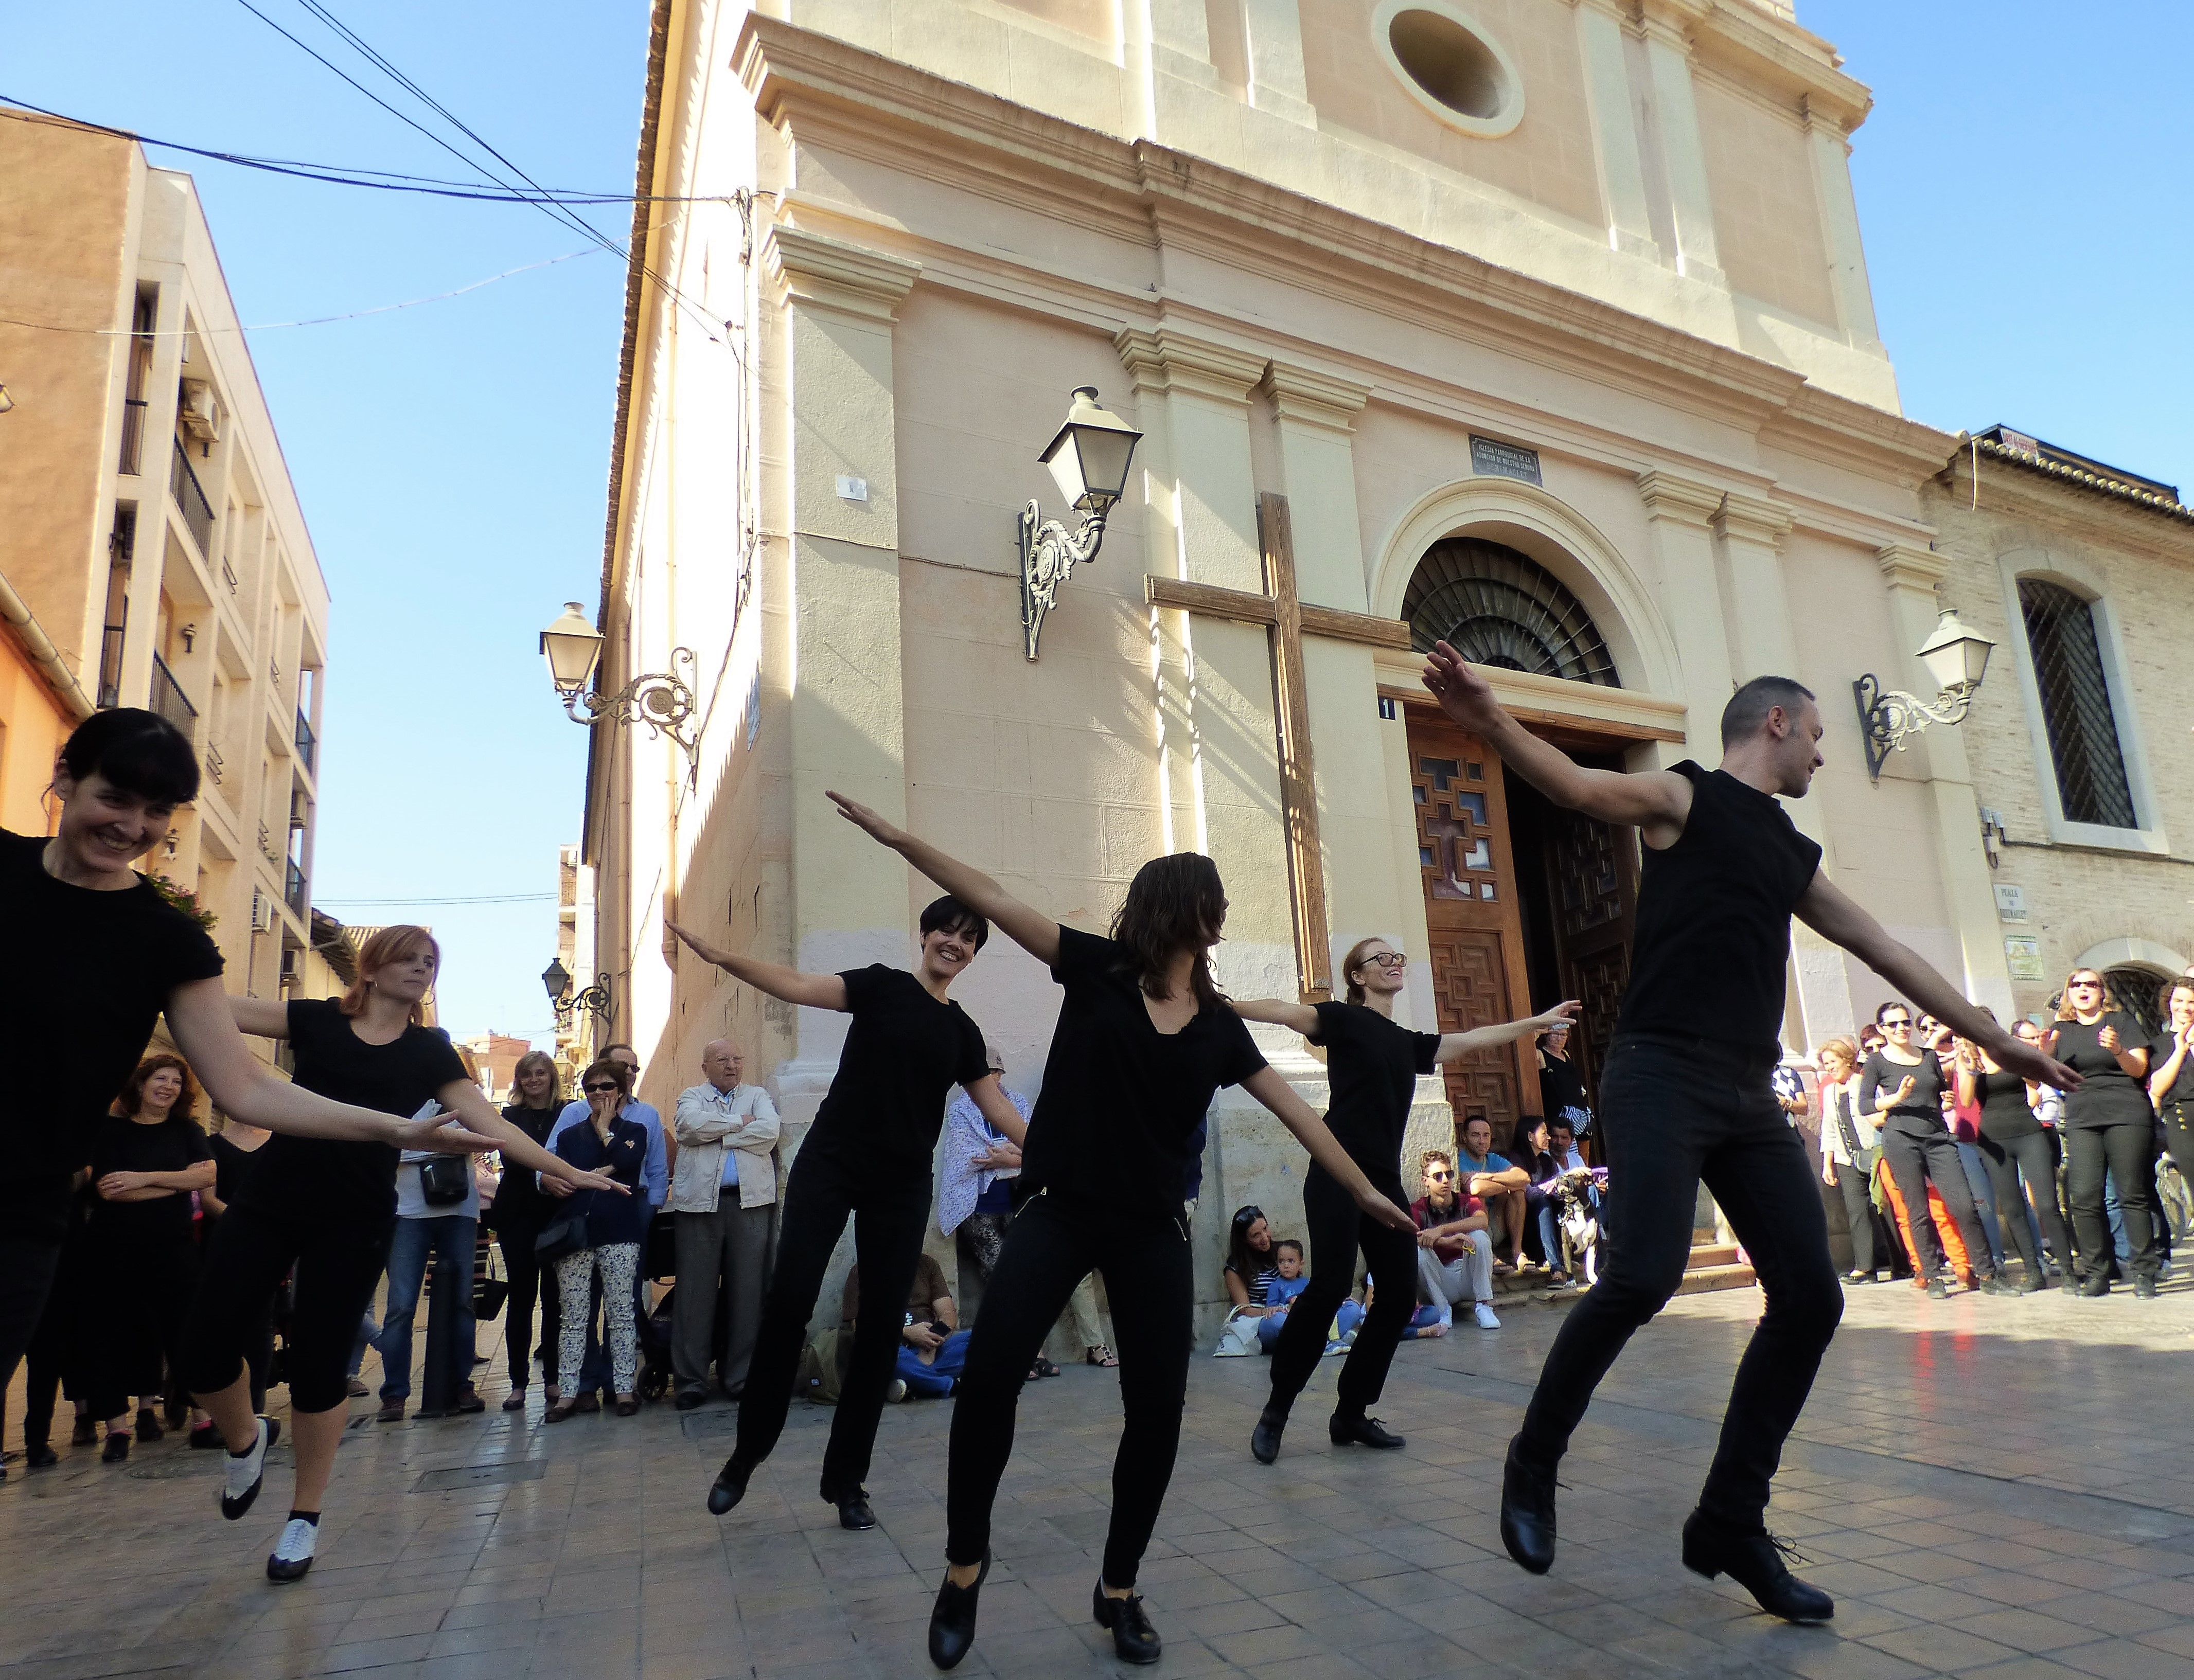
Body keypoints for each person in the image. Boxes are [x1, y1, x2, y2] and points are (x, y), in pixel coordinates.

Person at [1418, 648, 2073, 1625]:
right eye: (1813, 735)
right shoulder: (1685, 797)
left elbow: (1883, 948)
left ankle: (1728, 1518)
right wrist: (1486, 717)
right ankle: (1533, 1458)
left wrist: (1994, 1041)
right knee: (1638, 1277)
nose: (1819, 753)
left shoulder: (1789, 851)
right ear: (1773, 724)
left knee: (1809, 1298)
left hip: (1743, 1092)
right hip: (1655, 1072)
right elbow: (1578, 784)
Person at [804, 796, 1413, 1672]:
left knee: (1157, 1411)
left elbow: (1297, 1116)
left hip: (1150, 1230)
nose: (1226, 917)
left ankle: (1119, 1589)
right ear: (1182, 906)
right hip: (1057, 1209)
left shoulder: (1215, 1023)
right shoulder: (1093, 969)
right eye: (1216, 901)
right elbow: (993, 896)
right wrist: (899, 838)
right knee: (989, 1383)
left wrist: (1363, 1190)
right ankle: (963, 1568)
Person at [0, 709, 498, 1429]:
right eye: (114, 798)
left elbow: (249, 1086)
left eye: (156, 811)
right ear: (67, 781)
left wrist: (392, 1127)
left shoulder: (165, 940)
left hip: (22, 1207)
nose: (133, 825)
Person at [182, 924, 624, 1583]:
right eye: (411, 956)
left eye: (432, 961)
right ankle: (245, 1438)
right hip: (271, 1198)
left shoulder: (429, 1050)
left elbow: (493, 1124)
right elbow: (210, 1004)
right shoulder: (312, 1019)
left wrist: (563, 1168)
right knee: (203, 1344)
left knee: (319, 1367)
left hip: (354, 1215)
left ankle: (304, 1515)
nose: (423, 968)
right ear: (373, 963)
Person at [667, 894, 1027, 1534]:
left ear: (973, 953)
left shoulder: (963, 1032)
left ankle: (846, 1481)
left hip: (901, 1183)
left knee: (880, 1326)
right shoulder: (881, 986)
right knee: (788, 1302)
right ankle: (746, 1455)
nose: (956, 942)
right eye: (948, 928)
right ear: (925, 934)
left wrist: (1058, 1153)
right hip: (831, 1162)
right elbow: (800, 984)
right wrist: (724, 957)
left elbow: (996, 1107)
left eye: (970, 938)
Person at [1232, 942, 1572, 1462]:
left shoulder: (1405, 1041)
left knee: (1395, 1294)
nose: (1394, 961)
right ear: (1357, 975)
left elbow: (1473, 1038)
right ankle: (1276, 1409)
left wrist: (1534, 1022)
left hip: (1383, 1180)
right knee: (1327, 1286)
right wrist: (1220, 1004)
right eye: (1380, 957)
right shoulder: (1341, 1019)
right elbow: (1284, 1012)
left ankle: (1350, 1411)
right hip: (1334, 1170)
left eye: (1396, 955)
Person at [940, 1048, 1109, 1375]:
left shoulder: (1016, 1103)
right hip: (980, 1206)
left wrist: (1009, 1159)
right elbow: (965, 1154)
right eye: (984, 1072)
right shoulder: (961, 1108)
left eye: (994, 1072)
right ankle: (1021, 1355)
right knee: (1001, 1278)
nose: (990, 1078)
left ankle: (1033, 1352)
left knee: (1028, 1276)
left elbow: (1039, 1148)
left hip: (1021, 1202)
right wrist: (1010, 1156)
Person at [84, 1055, 214, 1460]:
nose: (169, 1087)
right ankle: (116, 1430)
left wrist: (143, 1178)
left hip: (174, 1249)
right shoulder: (110, 1131)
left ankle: (204, 1420)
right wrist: (177, 1184)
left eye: (176, 1082)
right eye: (161, 1078)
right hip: (114, 1250)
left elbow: (207, 1176)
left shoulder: (187, 1130)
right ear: (140, 1085)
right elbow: (108, 1190)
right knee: (111, 1335)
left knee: (187, 1333)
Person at [543, 1042, 666, 1410]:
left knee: (621, 1310)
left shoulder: (638, 1127)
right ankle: (573, 1391)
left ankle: (622, 1387)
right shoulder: (568, 1130)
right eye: (591, 1088)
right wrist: (591, 1174)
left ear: (622, 1089)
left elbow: (631, 1162)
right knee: (576, 1314)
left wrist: (604, 1131)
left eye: (607, 1087)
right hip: (578, 1231)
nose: (599, 1094)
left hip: (622, 1225)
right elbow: (554, 1167)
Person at [1862, 1003, 2007, 1299]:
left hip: (1938, 1138)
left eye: (1905, 1023)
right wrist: (1896, 1098)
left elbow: (1938, 1096)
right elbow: (1865, 1105)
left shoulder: (1928, 1057)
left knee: (1964, 1206)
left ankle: (1987, 1273)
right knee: (1918, 1211)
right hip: (1901, 1139)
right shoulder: (1877, 1062)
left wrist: (1947, 1101)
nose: (1901, 1028)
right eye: (1893, 1025)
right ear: (1881, 1029)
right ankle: (1931, 1275)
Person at [668, 1038, 781, 1409]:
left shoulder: (758, 1096)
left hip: (751, 1204)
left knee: (749, 1292)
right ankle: (690, 1381)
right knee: (694, 1294)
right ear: (706, 1067)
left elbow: (770, 1132)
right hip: (699, 1206)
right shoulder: (691, 1096)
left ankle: (741, 1377)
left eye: (737, 1059)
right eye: (722, 1060)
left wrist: (718, 1134)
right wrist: (738, 1125)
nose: (731, 1066)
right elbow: (687, 1127)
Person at [373, 1098, 490, 1422]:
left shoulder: (465, 1096)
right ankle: (394, 1394)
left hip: (460, 1209)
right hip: (407, 1213)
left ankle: (463, 1385)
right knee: (400, 1306)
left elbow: (480, 1138)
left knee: (463, 1302)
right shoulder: (397, 1093)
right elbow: (387, 1146)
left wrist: (415, 1140)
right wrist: (445, 1142)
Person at [2048, 969, 2161, 1297]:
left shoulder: (2121, 1022)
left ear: (2102, 992)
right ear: (2068, 992)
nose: (2083, 990)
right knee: (2083, 1196)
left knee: (2131, 1193)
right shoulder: (2059, 1031)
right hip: (2083, 1117)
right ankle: (2098, 1272)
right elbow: (2044, 1080)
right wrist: (2043, 1054)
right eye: (2076, 985)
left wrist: (2117, 1051)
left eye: (2091, 985)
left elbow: (2139, 1069)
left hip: (2126, 1111)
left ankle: (2144, 1273)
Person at [1954, 1013, 2064, 1292]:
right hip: (1993, 1138)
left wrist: (2026, 1056)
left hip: (2028, 1132)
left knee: (2048, 1204)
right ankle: (2033, 1272)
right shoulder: (1968, 1060)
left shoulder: (2009, 1052)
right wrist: (1968, 1066)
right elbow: (1966, 1100)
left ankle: (2070, 1271)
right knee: (2013, 1208)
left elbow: (2034, 1084)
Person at [488, 1051, 565, 1413]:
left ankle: (553, 1378)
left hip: (555, 1215)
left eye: (540, 1073)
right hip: (517, 1213)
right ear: (519, 1081)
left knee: (554, 1299)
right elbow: (512, 1159)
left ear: (551, 1077)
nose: (534, 1080)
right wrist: (543, 1174)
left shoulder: (567, 1112)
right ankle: (518, 1383)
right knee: (521, 1299)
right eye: (527, 1075)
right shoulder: (509, 1116)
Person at [845, 1253, 969, 1400]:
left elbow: (948, 1315)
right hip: (895, 1350)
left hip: (931, 1350)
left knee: (979, 1337)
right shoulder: (861, 1271)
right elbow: (859, 1326)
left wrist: (931, 1343)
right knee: (880, 1352)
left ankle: (912, 1384)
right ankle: (947, 1385)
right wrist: (905, 1331)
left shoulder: (928, 1265)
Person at [1813, 1040, 1882, 1284]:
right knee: (1857, 1212)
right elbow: (1829, 1128)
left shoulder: (1864, 1084)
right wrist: (1828, 1164)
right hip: (1847, 1158)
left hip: (1873, 1152)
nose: (1829, 1068)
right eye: (1826, 1064)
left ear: (1847, 1060)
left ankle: (1902, 1264)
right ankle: (1866, 1268)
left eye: (1833, 1062)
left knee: (1885, 1207)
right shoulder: (1830, 1090)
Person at [1410, 1151, 1497, 1332]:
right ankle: (1443, 1311)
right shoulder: (1418, 1209)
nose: (1445, 1180)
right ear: (1425, 1180)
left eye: (1449, 1174)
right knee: (1419, 1251)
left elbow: (1482, 1221)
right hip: (1442, 1281)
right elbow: (1412, 1237)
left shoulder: (1466, 1201)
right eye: (1437, 1176)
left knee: (1480, 1237)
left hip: (1470, 1276)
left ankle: (1484, 1306)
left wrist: (1441, 1231)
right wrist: (1445, 1242)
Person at [2149, 980, 2194, 1245]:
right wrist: (2181, 1048)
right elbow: (2157, 1087)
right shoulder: (2159, 1044)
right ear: (2169, 1004)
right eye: (2179, 1001)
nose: (2185, 1007)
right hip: (2182, 1117)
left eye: (2191, 1001)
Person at [1457, 1114, 1529, 1270]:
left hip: (1498, 1222)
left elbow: (1524, 1177)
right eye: (1475, 1135)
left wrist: (1488, 1176)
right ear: (1464, 1137)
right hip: (1475, 1229)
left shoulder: (1493, 1159)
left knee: (1518, 1194)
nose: (1482, 1141)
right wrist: (1510, 1184)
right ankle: (1490, 1255)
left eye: (1486, 1135)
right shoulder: (1459, 1159)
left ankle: (1518, 1252)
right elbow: (1476, 1189)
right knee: (1479, 1197)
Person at [1536, 1019, 1591, 1138]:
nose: (1559, 1038)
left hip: (1579, 1112)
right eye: (1555, 1034)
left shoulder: (1566, 1054)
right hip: (1559, 1113)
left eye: (1563, 1035)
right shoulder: (1541, 1054)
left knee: (1582, 1153)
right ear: (1547, 1035)